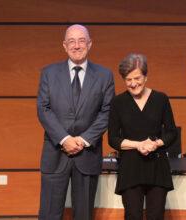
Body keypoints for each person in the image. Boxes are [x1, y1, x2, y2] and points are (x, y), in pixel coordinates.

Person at [37, 24, 115, 220]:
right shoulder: (49, 73)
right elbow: (43, 109)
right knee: (49, 214)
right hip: (55, 153)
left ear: (90, 44)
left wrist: (83, 139)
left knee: (84, 215)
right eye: (71, 41)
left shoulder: (105, 75)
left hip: (87, 154)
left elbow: (107, 111)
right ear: (64, 45)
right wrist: (64, 139)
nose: (76, 45)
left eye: (81, 40)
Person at [108, 53, 177, 220]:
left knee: (156, 216)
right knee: (132, 215)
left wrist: (156, 143)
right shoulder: (118, 102)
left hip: (157, 167)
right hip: (130, 169)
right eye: (128, 79)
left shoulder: (161, 99)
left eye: (137, 78)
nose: (133, 84)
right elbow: (113, 139)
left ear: (146, 77)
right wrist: (137, 145)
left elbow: (171, 132)